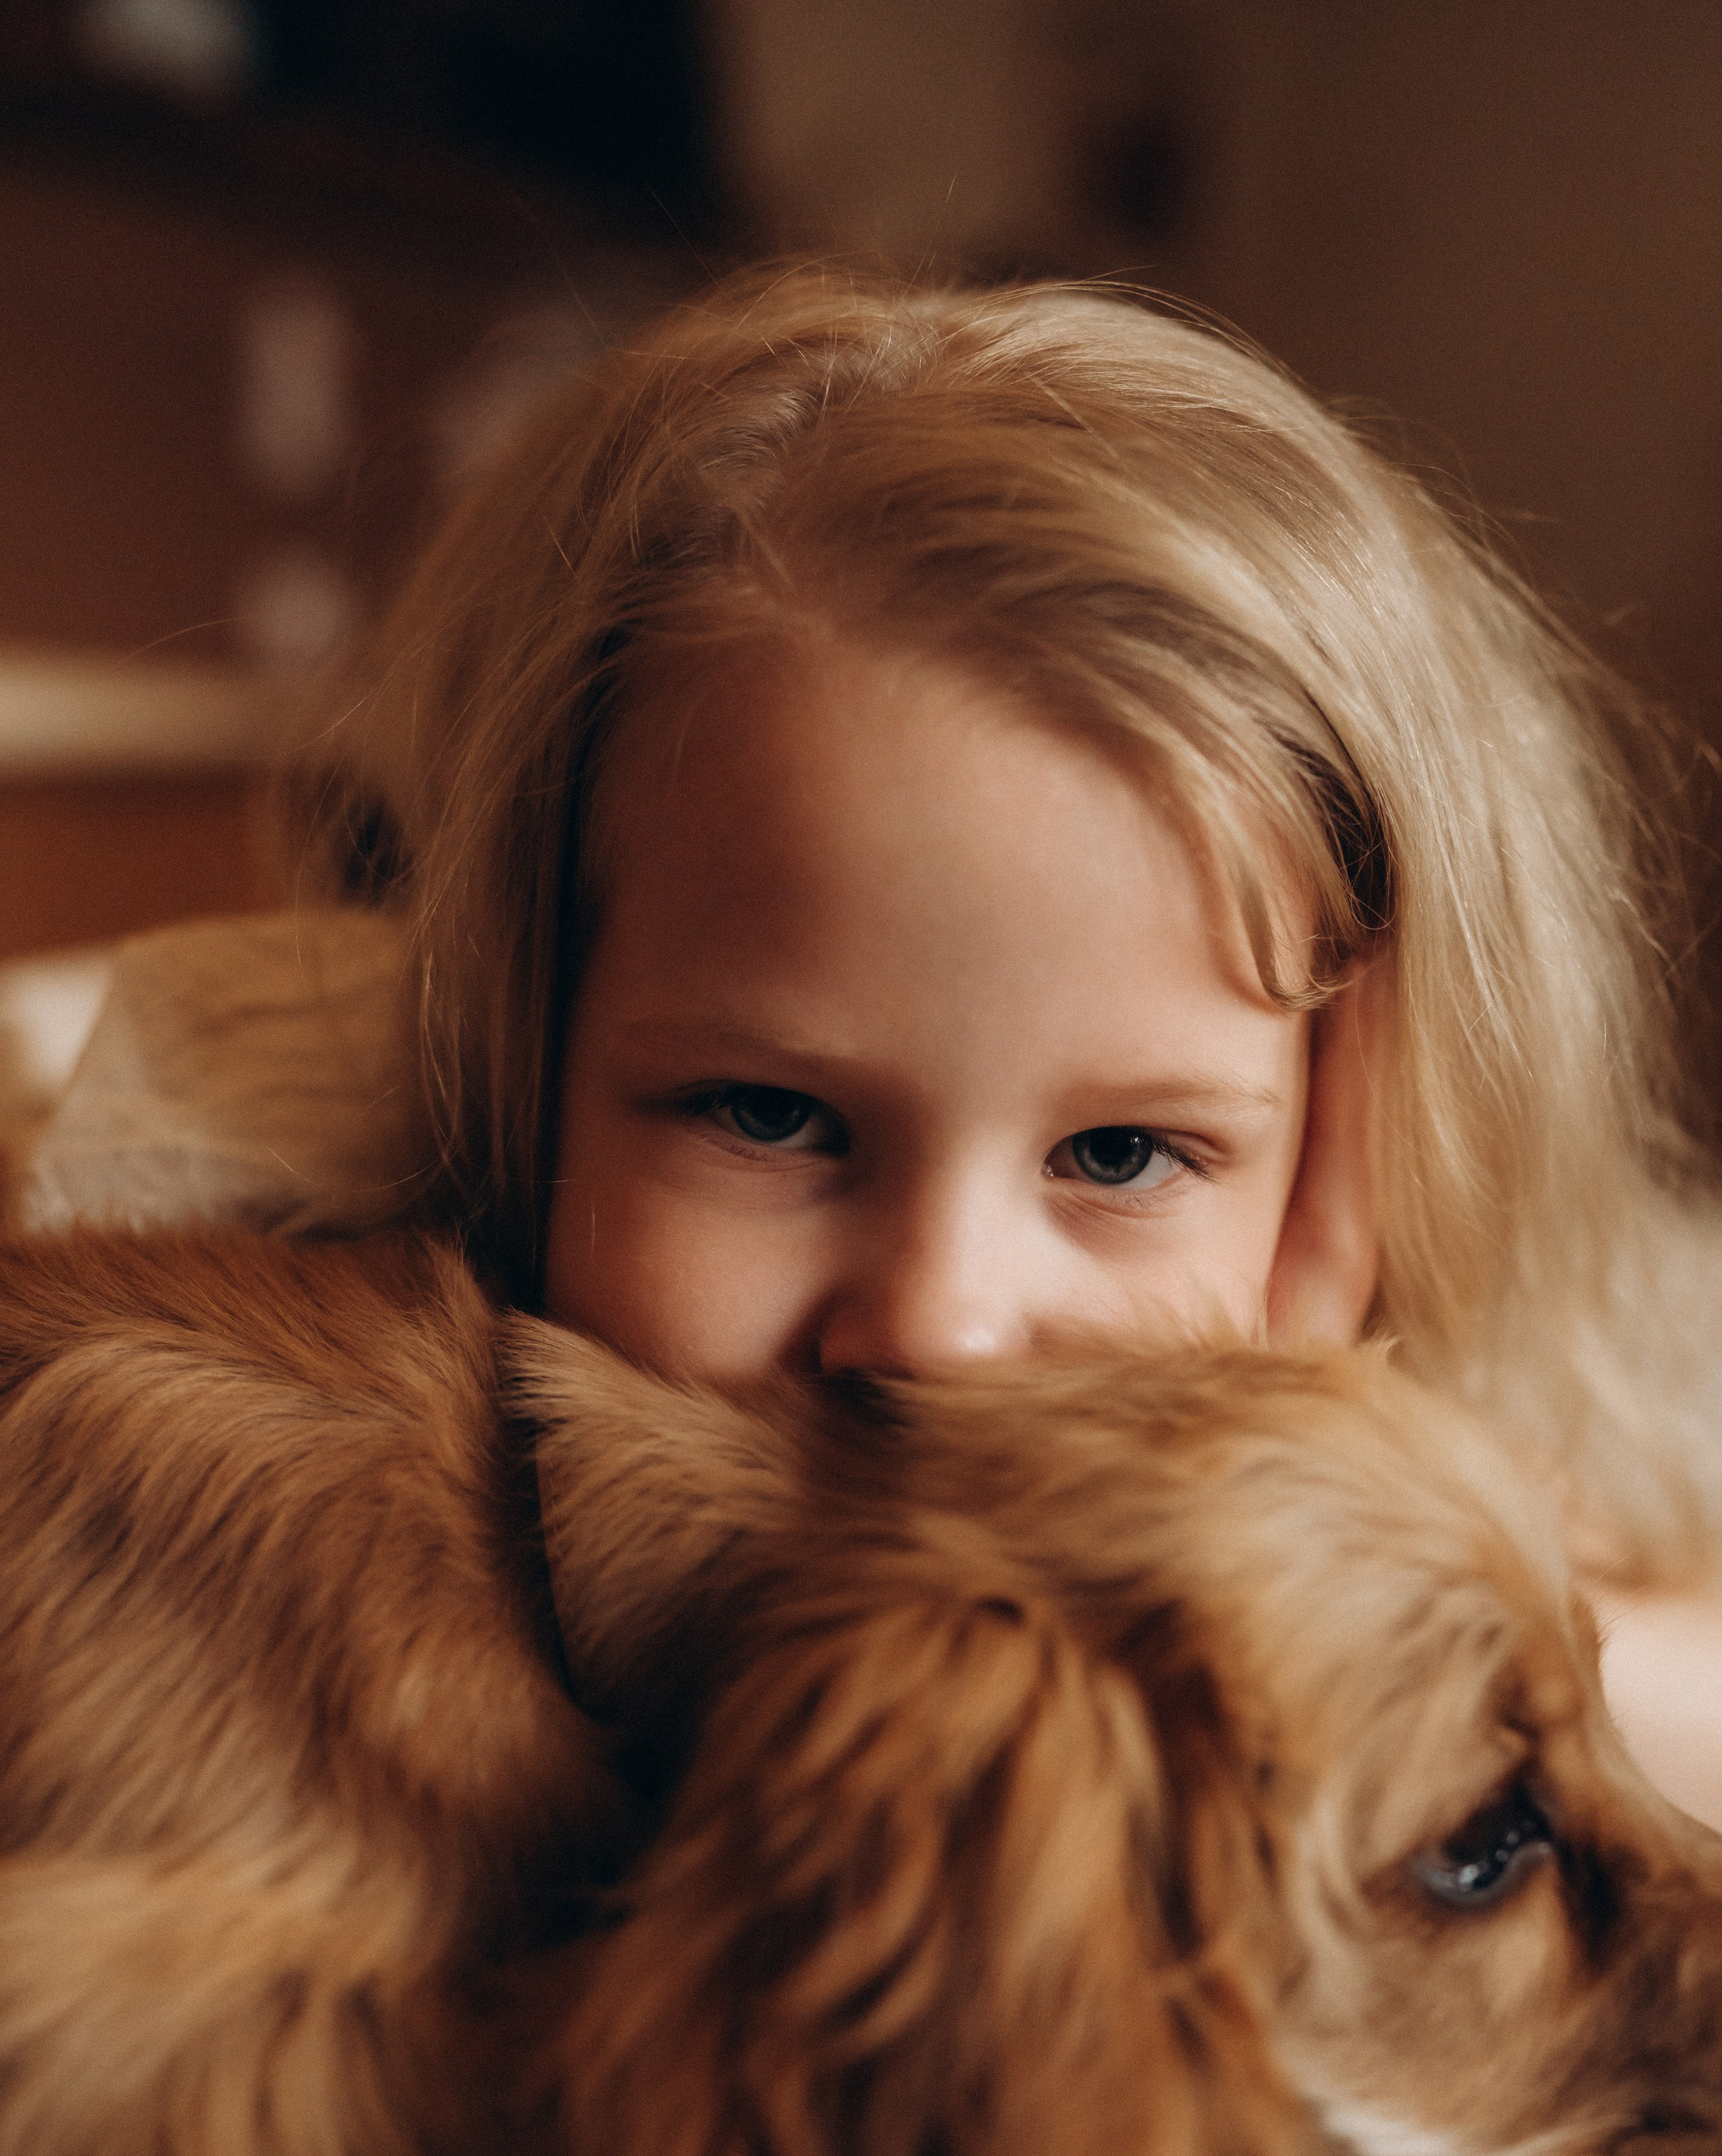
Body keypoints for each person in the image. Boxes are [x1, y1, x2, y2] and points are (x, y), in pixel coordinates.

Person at [298, 261, 1722, 1822]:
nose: (939, 1334)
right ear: (525, 1051)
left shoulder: (1450, 1444)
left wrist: (1288, 1495)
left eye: (1119, 1154)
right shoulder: (322, 1519)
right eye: (769, 1117)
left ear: (1347, 1156)